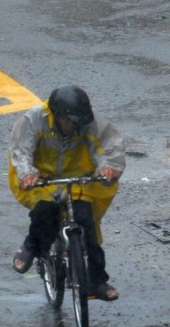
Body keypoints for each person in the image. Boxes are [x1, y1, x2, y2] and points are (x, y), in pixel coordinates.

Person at [8, 84, 125, 302]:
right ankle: (31, 246)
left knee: (87, 224)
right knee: (45, 213)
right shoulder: (34, 120)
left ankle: (97, 280)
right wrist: (27, 175)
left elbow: (108, 147)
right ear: (57, 115)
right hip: (42, 180)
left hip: (79, 180)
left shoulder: (91, 123)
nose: (76, 128)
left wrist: (109, 168)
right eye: (71, 122)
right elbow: (21, 151)